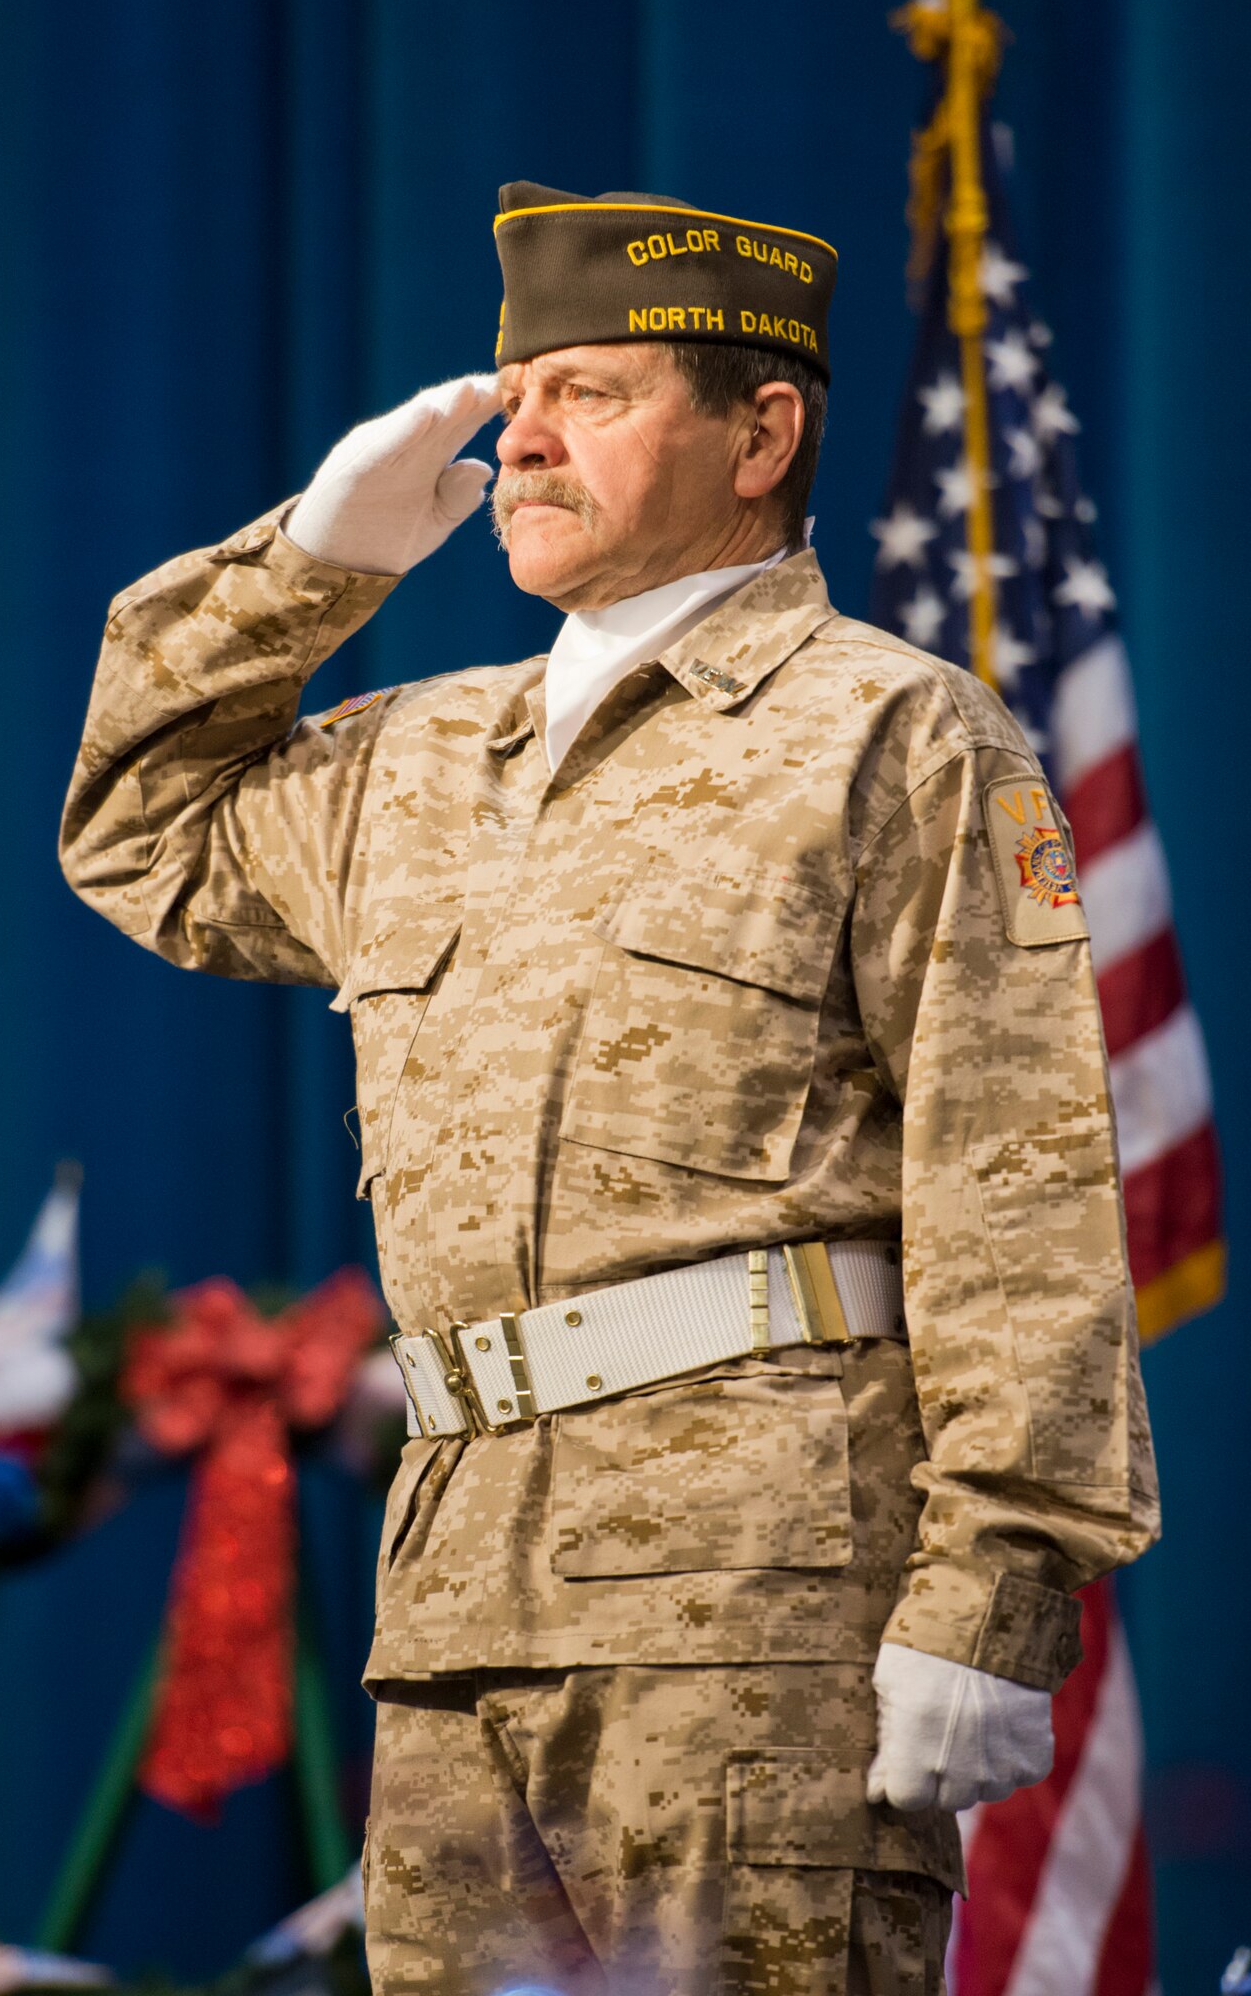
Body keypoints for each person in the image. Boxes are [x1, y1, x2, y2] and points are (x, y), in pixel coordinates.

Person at [61, 182, 1158, 1995]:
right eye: (518, 396)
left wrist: (998, 1587)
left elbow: (1018, 1177)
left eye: (595, 389)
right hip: (460, 1605)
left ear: (763, 431)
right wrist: (312, 564)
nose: (531, 439)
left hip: (759, 1611)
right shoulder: (414, 757)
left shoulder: (894, 733)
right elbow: (134, 833)